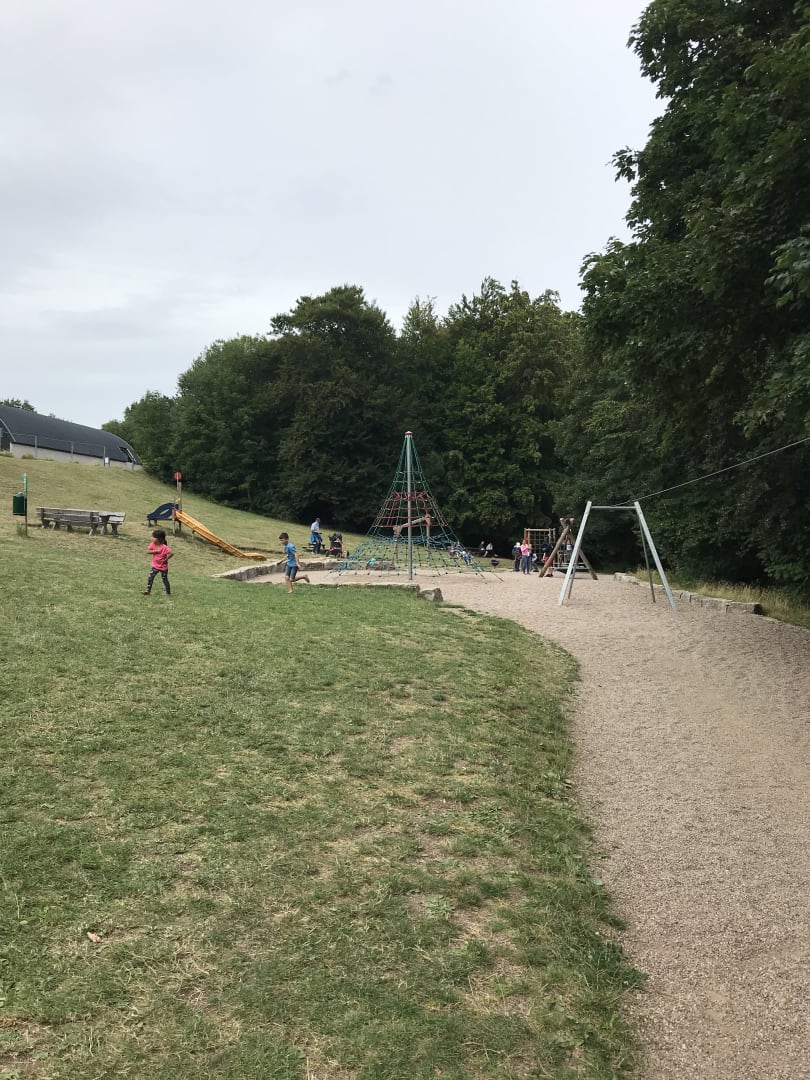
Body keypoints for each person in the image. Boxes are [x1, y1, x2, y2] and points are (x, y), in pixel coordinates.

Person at [142, 529, 173, 595]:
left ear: (160, 539)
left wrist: (166, 560)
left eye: (154, 537)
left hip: (163, 567)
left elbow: (171, 553)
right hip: (155, 566)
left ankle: (168, 592)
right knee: (150, 577)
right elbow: (147, 551)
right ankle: (148, 591)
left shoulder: (165, 547)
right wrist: (155, 551)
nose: (152, 538)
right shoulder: (153, 544)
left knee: (165, 580)